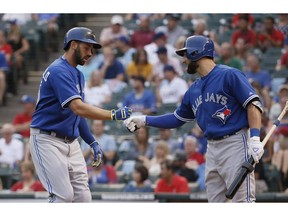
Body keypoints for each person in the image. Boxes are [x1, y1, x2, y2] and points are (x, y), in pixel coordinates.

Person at [125, 35, 264, 202]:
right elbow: (177, 119)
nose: (183, 60)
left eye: (185, 54)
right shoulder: (194, 89)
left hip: (234, 143)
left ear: (196, 52)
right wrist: (145, 120)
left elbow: (253, 105)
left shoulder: (229, 75)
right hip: (211, 148)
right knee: (216, 203)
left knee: (243, 202)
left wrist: (255, 138)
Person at [29, 27, 132, 203]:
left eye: (92, 49)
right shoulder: (58, 70)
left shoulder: (77, 73)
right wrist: (112, 114)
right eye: (87, 47)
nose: (91, 53)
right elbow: (78, 108)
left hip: (71, 142)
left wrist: (91, 141)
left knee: (83, 198)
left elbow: (76, 114)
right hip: (47, 140)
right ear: (74, 45)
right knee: (63, 196)